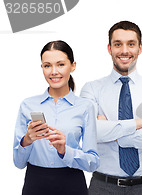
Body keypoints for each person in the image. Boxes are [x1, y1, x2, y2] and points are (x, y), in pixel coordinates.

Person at [80, 21, 142, 195]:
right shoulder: (92, 89)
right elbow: (89, 132)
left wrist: (115, 135)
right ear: (109, 48)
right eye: (118, 44)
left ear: (140, 48)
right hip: (102, 187)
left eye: (131, 44)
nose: (124, 51)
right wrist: (140, 123)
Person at [13, 40, 99, 195]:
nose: (53, 71)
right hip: (35, 184)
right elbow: (18, 163)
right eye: (47, 65)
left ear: (73, 66)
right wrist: (27, 140)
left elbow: (93, 163)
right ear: (42, 68)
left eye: (60, 64)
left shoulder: (85, 107)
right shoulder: (27, 105)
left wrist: (65, 151)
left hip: (72, 183)